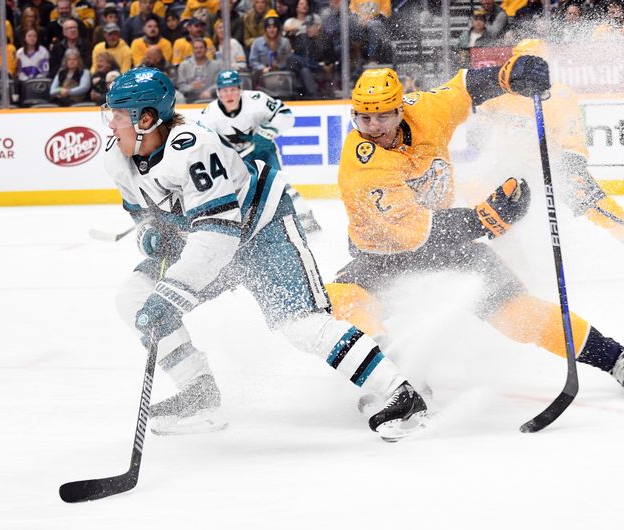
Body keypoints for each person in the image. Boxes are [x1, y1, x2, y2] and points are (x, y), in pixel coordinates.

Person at [102, 67, 429, 441]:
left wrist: (170, 294)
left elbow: (218, 237)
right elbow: (145, 217)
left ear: (146, 119)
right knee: (133, 296)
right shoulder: (117, 156)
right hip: (206, 239)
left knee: (302, 325)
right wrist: (150, 236)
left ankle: (401, 394)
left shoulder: (193, 147)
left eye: (117, 113)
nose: (110, 123)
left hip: (262, 230)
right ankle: (199, 395)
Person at [324, 64, 624, 412]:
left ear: (400, 110)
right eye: (363, 118)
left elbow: (465, 86)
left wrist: (510, 75)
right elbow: (414, 234)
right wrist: (483, 219)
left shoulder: (426, 110)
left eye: (381, 117)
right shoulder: (361, 166)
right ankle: (396, 383)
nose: (373, 127)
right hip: (382, 257)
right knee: (343, 301)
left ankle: (617, 358)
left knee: (520, 317)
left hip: (450, 250)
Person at [470, 39, 624, 264]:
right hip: (509, 168)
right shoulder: (501, 93)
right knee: (489, 208)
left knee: (592, 202)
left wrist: (572, 159)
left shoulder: (559, 96)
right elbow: (479, 120)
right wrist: (477, 129)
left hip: (550, 165)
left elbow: (573, 133)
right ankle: (511, 262)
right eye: (521, 62)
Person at [200, 69, 322, 232]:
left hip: (263, 151)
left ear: (240, 89)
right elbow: (205, 144)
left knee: (278, 186)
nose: (229, 95)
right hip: (235, 159)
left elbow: (286, 115)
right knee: (241, 194)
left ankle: (306, 218)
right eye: (225, 91)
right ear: (218, 93)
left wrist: (266, 133)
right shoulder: (209, 116)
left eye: (233, 90)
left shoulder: (257, 100)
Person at [249, 10, 292, 78]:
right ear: (265, 29)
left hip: (281, 75)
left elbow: (289, 60)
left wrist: (278, 65)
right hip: (262, 76)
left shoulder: (285, 42)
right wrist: (263, 68)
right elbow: (252, 61)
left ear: (278, 28)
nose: (271, 30)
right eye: (269, 27)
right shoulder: (257, 42)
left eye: (274, 27)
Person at [176, 37, 220, 102]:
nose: (198, 50)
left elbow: (219, 83)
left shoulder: (216, 65)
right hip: (190, 103)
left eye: (201, 47)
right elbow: (181, 86)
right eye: (196, 48)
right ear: (192, 50)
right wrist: (191, 87)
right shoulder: (184, 66)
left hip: (212, 101)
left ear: (206, 49)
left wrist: (210, 91)